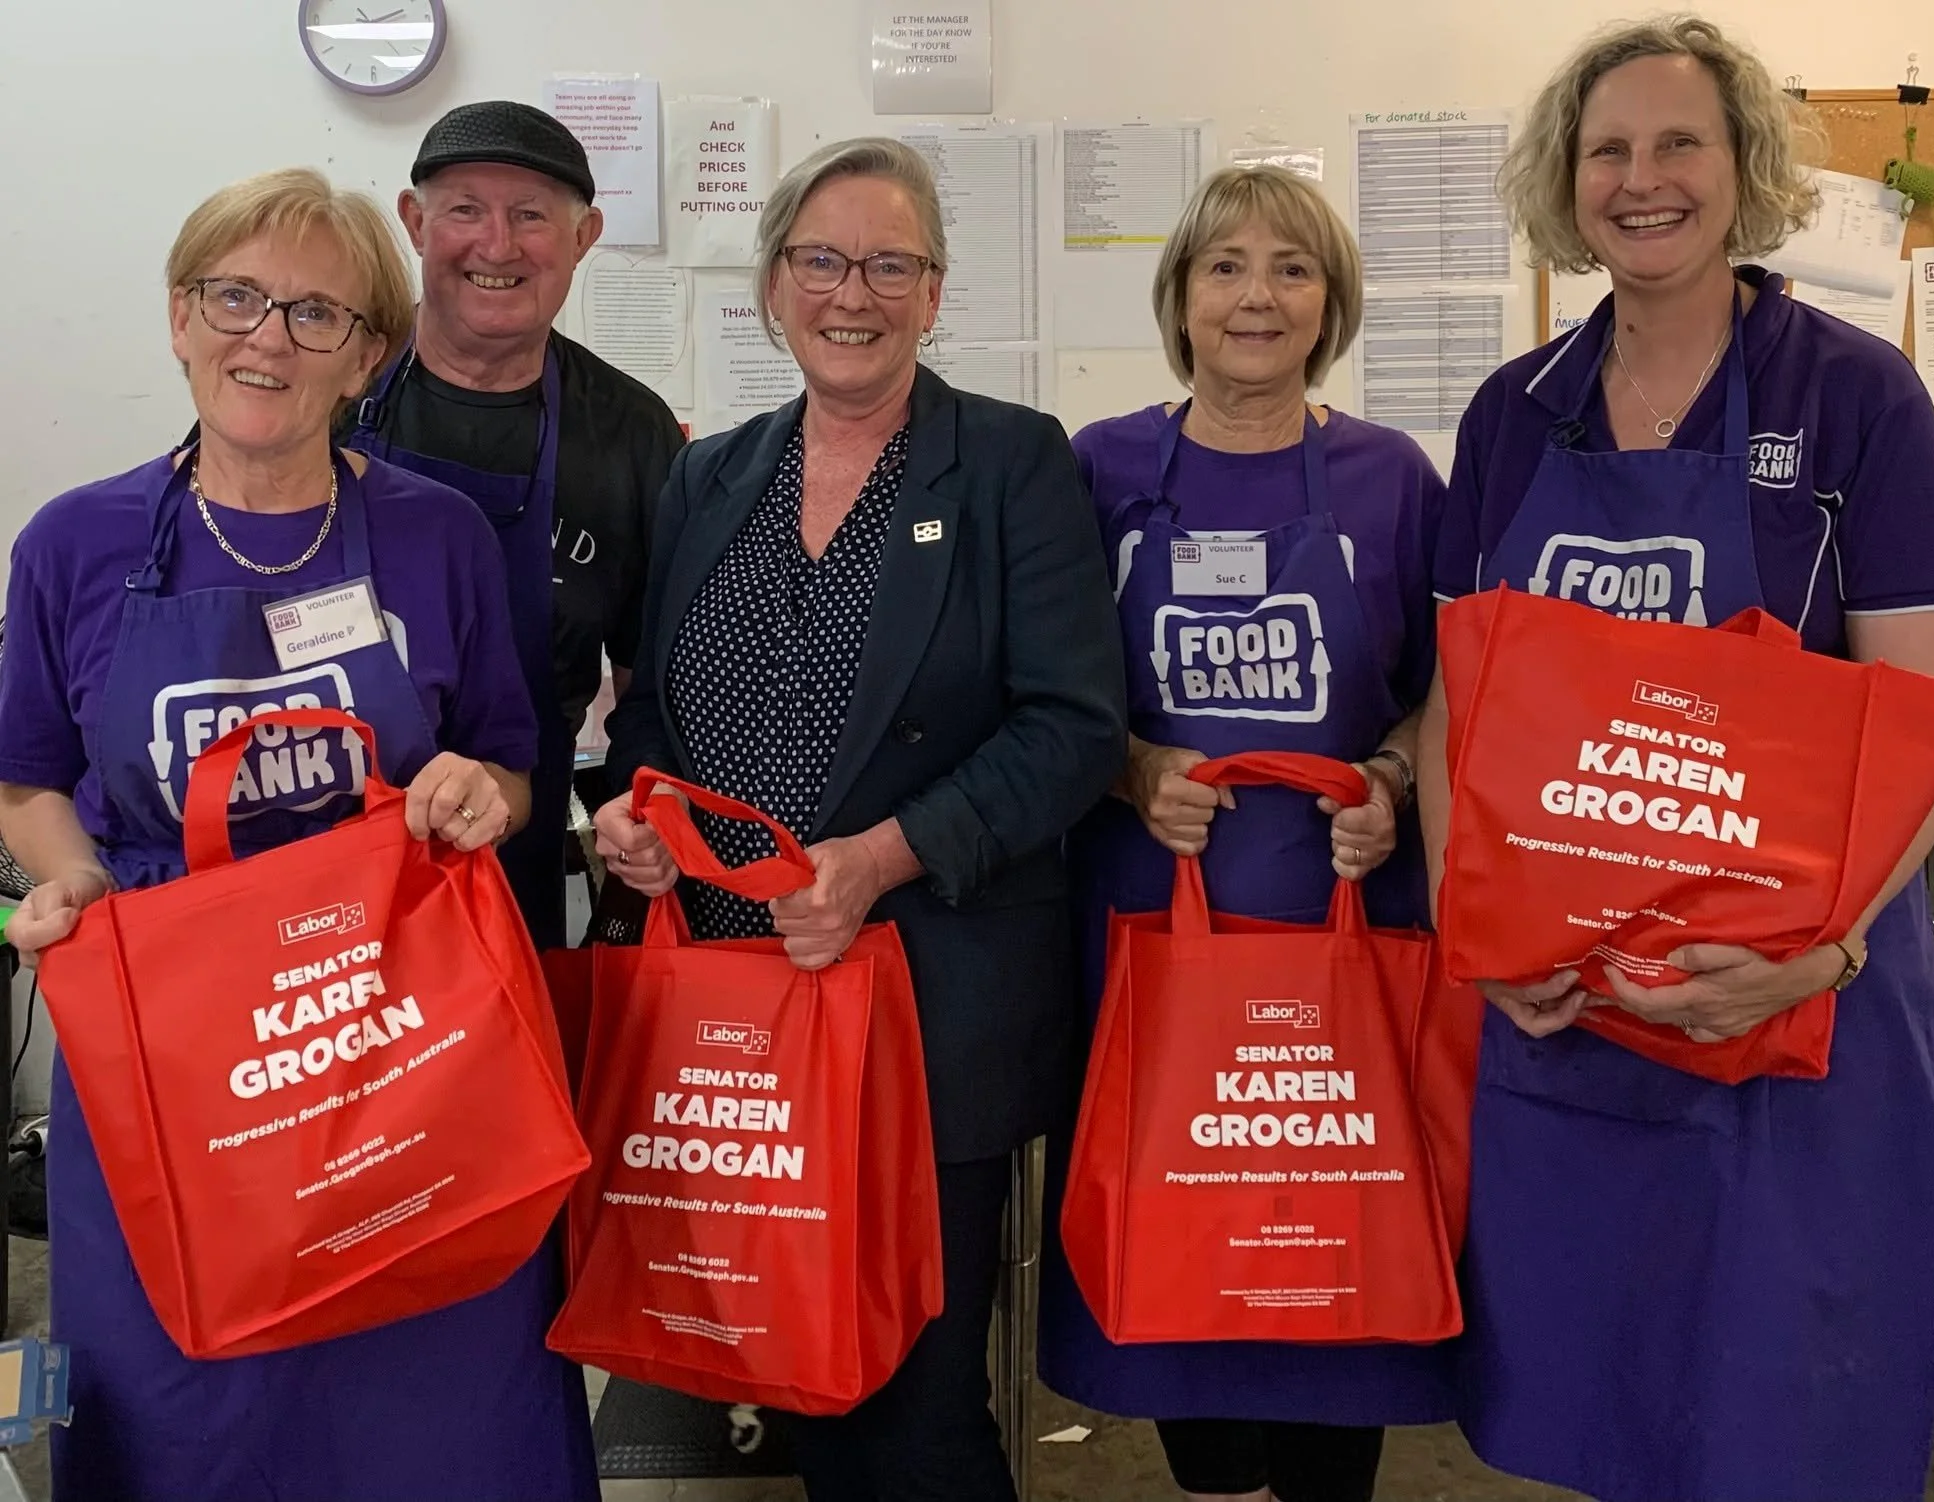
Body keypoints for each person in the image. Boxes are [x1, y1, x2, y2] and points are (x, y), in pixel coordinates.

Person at [1419, 17, 1934, 1502]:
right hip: (1575, 1017)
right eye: (1610, 149)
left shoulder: (1857, 399)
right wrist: (1478, 937)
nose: (1642, 178)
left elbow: (1923, 719)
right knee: (1608, 1407)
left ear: (1743, 170)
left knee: (1784, 1423)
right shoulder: (1511, 415)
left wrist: (1827, 953)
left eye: (1680, 144)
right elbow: (1453, 719)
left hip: (1794, 1029)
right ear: (1567, 179)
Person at [0, 169, 598, 1500]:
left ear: (367, 355)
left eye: (315, 313)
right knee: (186, 1394)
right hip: (174, 1047)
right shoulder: (74, 544)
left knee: (442, 1373)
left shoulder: (435, 534)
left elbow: (510, 759)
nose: (265, 335)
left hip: (399, 1037)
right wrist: (76, 878)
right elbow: (26, 777)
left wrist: (475, 798)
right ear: (178, 317)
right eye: (235, 296)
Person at [594, 136, 1126, 1501]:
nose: (855, 291)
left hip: (919, 1013)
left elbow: (1072, 728)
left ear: (935, 294)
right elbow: (656, 712)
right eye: (823, 259)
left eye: (892, 263)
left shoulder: (1008, 463)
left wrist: (882, 856)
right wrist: (638, 815)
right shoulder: (710, 476)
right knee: (792, 1372)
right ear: (775, 286)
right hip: (739, 1014)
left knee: (915, 1402)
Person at [1034, 165, 1448, 1502]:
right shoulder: (1097, 466)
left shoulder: (1392, 477)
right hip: (1155, 934)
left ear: (1330, 302)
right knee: (1183, 1241)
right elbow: (1040, 685)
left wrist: (1388, 774)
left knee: (1342, 1237)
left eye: (1290, 267)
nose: (1255, 295)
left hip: (1344, 930)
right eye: (1225, 265)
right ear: (1181, 297)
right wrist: (1133, 766)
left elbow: (1452, 691)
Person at [348, 100, 684, 950]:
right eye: (465, 210)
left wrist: (636, 807)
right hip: (322, 845)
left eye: (531, 215)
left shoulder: (631, 430)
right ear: (415, 223)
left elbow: (653, 676)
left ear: (584, 237)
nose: (496, 246)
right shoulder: (332, 389)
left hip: (516, 843)